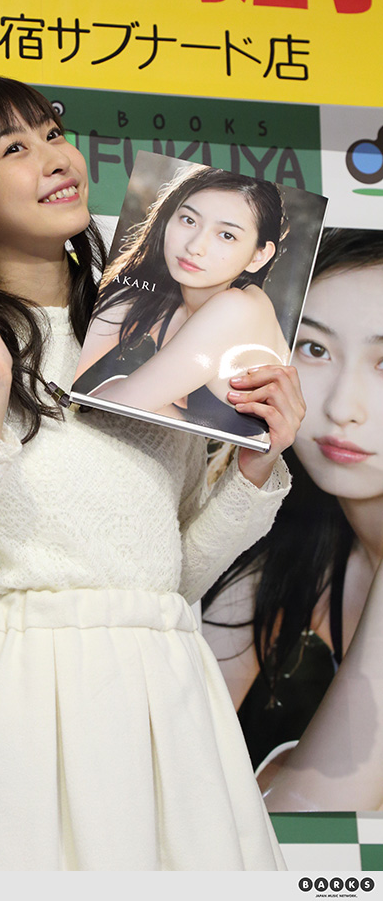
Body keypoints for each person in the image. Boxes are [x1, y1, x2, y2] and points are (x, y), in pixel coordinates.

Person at [0, 75, 305, 871]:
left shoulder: (153, 323)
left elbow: (173, 576)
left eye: (52, 132)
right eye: (15, 148)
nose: (56, 157)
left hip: (167, 702)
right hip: (19, 707)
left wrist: (256, 463)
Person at [202, 228, 383, 811]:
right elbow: (146, 766)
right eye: (314, 349)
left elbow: (325, 815)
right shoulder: (284, 552)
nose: (341, 408)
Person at [72, 166, 290, 440]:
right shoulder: (154, 296)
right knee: (112, 385)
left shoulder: (238, 308)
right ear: (167, 219)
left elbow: (117, 404)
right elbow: (66, 366)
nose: (195, 246)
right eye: (189, 220)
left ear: (259, 256)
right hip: (187, 456)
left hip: (249, 463)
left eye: (226, 235)